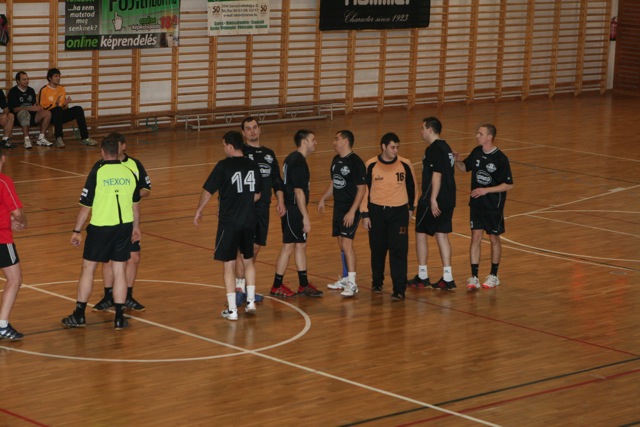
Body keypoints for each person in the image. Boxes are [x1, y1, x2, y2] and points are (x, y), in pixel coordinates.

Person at [61, 135, 141, 330]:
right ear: (119, 151)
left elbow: (85, 206)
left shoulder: (98, 172)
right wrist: (136, 227)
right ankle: (119, 318)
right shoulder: (130, 172)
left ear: (103, 152)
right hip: (124, 227)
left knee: (88, 268)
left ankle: (79, 314)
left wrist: (77, 230)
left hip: (101, 227)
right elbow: (135, 204)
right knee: (119, 270)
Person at [194, 130, 262, 321]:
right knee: (248, 260)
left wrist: (199, 210)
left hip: (229, 222)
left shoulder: (223, 166)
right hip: (249, 220)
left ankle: (232, 310)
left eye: (224, 145)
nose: (223, 148)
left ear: (231, 147)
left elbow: (208, 191)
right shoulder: (252, 165)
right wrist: (243, 203)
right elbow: (257, 194)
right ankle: (250, 301)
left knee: (229, 264)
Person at [92, 133, 151, 312]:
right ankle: (108, 296)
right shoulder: (100, 166)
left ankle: (128, 296)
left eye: (117, 144)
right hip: (107, 220)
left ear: (123, 146)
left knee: (134, 257)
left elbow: (146, 189)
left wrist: (129, 194)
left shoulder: (134, 165)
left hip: (128, 219)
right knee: (108, 260)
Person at [454, 123, 514, 290]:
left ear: (489, 137)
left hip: (493, 205)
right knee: (475, 237)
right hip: (476, 204)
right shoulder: (477, 152)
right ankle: (474, 277)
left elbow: (508, 185)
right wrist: (457, 161)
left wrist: (486, 190)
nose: (477, 136)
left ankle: (494, 275)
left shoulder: (500, 158)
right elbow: (465, 167)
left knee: (494, 238)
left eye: (480, 134)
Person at [361, 132, 417, 301]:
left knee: (398, 250)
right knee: (377, 249)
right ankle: (377, 282)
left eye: (397, 147)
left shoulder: (405, 164)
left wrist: (411, 208)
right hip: (376, 212)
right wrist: (365, 213)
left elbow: (413, 187)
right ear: (383, 146)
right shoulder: (371, 165)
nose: (395, 150)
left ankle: (399, 289)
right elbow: (364, 191)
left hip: (399, 213)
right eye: (392, 147)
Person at [234, 117, 284, 303]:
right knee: (244, 250)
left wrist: (280, 200)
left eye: (255, 127)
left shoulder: (269, 154)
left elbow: (277, 179)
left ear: (260, 129)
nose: (252, 131)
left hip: (263, 208)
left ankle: (248, 288)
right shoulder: (241, 153)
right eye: (248, 128)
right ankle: (239, 290)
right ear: (243, 133)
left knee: (255, 249)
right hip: (245, 208)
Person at [270, 129, 323, 298]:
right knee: (289, 247)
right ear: (304, 141)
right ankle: (276, 286)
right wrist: (305, 216)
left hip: (293, 209)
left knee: (300, 245)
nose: (315, 142)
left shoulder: (292, 158)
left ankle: (303, 284)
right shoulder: (298, 161)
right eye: (313, 139)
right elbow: (299, 191)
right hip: (294, 210)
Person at [408, 117, 457, 291]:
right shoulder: (446, 147)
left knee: (420, 232)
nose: (421, 131)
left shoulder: (433, 149)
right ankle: (448, 278)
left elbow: (437, 175)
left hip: (433, 198)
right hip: (449, 197)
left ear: (430, 130)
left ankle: (422, 276)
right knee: (442, 234)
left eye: (423, 128)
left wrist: (433, 199)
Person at [318, 130, 366, 297]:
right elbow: (334, 182)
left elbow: (362, 189)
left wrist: (352, 211)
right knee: (341, 243)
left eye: (336, 139)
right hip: (338, 208)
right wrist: (323, 198)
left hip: (350, 209)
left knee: (347, 244)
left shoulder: (356, 162)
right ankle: (345, 278)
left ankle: (352, 283)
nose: (334, 142)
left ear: (345, 141)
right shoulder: (335, 160)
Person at [0, 148, 27, 340]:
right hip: (1, 239)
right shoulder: (3, 181)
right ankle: (2, 325)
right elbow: (17, 211)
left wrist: (7, 219)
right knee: (15, 279)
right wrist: (22, 222)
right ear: (3, 158)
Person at [38, 67, 98, 148]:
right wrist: (55, 105)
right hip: (49, 117)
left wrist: (65, 104)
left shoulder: (61, 89)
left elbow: (63, 108)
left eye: (59, 76)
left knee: (78, 109)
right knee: (57, 109)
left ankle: (85, 138)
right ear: (49, 78)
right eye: (56, 76)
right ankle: (59, 138)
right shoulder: (44, 90)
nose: (58, 78)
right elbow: (42, 108)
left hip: (59, 114)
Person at [7, 71, 53, 149]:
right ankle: (27, 139)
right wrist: (29, 108)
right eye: (24, 79)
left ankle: (41, 138)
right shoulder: (13, 91)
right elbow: (14, 109)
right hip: (19, 118)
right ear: (18, 81)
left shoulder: (31, 90)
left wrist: (39, 107)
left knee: (47, 113)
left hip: (31, 115)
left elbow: (34, 105)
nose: (27, 81)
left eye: (27, 79)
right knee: (24, 113)